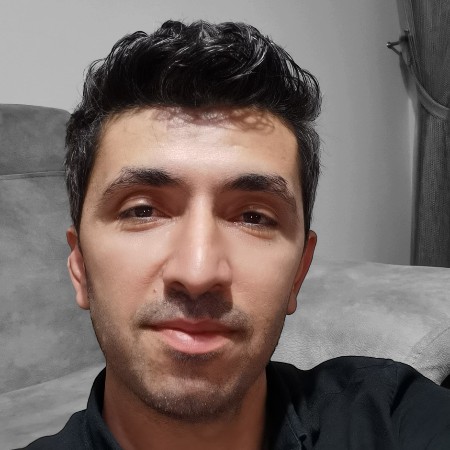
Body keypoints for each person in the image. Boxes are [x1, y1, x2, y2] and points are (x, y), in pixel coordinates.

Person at [22, 20, 450, 450]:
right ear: (80, 268)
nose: (198, 273)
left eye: (253, 217)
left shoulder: (391, 415)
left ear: (299, 273)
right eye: (143, 210)